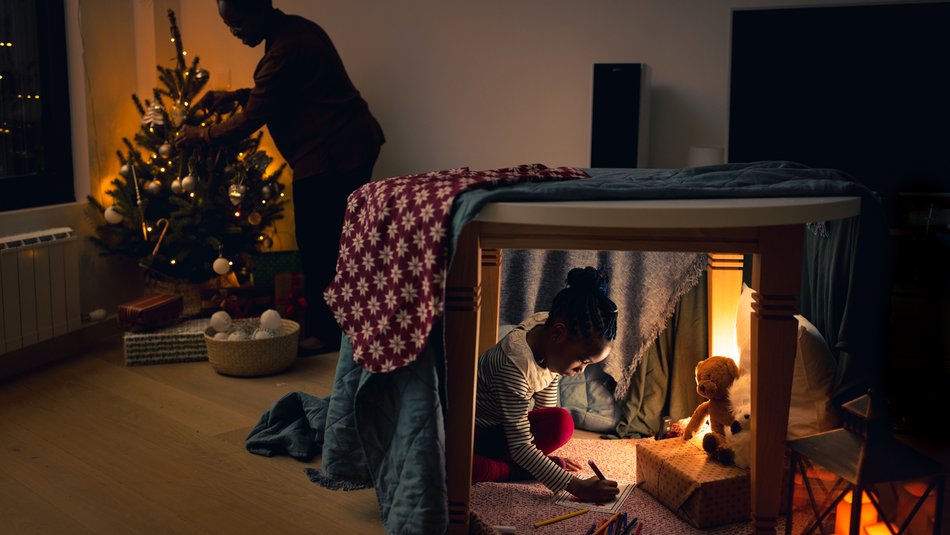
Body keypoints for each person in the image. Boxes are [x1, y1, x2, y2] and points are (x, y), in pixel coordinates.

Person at [176, 0, 384, 354]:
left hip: (333, 155)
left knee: (319, 245)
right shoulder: (293, 30)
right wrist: (237, 95)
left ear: (259, 8)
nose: (235, 33)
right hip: (347, 146)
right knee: (333, 243)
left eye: (238, 24)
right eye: (229, 26)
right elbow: (288, 91)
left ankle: (326, 334)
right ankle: (343, 329)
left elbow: (252, 119)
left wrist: (201, 135)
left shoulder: (286, 48)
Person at [473, 266, 621, 503]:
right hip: (478, 435)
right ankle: (516, 471)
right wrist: (577, 487)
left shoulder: (548, 328)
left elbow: (545, 404)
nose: (581, 371)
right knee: (461, 465)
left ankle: (526, 466)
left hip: (505, 429)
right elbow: (521, 446)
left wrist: (541, 454)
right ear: (558, 334)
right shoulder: (513, 368)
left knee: (561, 422)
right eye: (582, 361)